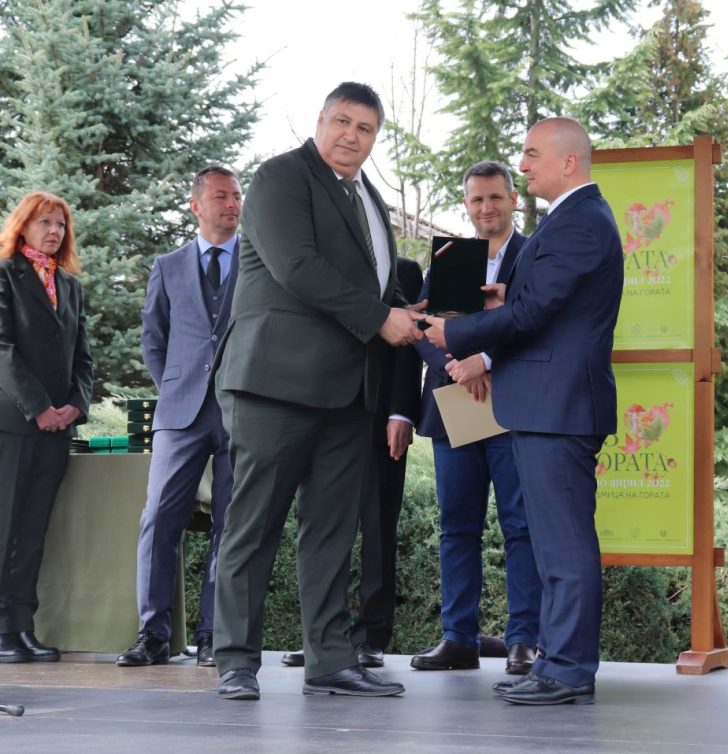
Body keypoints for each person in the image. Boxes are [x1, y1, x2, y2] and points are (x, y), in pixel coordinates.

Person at [211, 81, 422, 701]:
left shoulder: (369, 197)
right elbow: (298, 268)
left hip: (350, 393)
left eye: (366, 129)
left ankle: (330, 660)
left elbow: (376, 286)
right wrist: (381, 319)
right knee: (254, 526)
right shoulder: (281, 177)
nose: (352, 136)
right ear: (321, 120)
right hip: (275, 385)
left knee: (331, 532)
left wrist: (421, 315)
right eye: (343, 121)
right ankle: (235, 661)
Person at [419, 117, 623, 705]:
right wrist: (506, 299)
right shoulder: (570, 218)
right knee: (553, 545)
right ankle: (556, 662)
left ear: (568, 162)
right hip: (545, 405)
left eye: (532, 154)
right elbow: (545, 304)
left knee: (563, 546)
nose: (524, 165)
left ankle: (569, 668)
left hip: (558, 406)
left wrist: (455, 332)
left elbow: (536, 315)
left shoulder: (579, 219)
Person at [410, 161, 542, 675]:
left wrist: (484, 361)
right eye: (476, 199)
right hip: (455, 408)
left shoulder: (534, 254)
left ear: (512, 199)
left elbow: (539, 321)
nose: (486, 208)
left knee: (520, 525)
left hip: (513, 405)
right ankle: (458, 638)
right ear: (466, 205)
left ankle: (524, 639)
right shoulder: (450, 257)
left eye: (495, 197)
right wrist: (457, 366)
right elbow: (423, 324)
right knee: (457, 527)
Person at [116, 167, 242, 669]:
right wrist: (174, 386)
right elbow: (153, 337)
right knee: (159, 518)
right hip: (179, 412)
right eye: (221, 196)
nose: (232, 204)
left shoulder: (258, 263)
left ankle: (214, 635)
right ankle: (152, 634)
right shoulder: (167, 266)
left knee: (231, 523)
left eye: (237, 196)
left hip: (240, 409)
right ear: (196, 205)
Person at [281, 255, 423, 670]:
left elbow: (410, 346)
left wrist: (402, 413)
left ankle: (371, 636)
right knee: (322, 528)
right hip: (322, 413)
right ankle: (323, 638)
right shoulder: (316, 268)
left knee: (378, 529)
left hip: (380, 419)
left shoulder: (403, 270)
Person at [0, 192, 93, 662]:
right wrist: (38, 407)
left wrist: (75, 406)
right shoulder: (5, 274)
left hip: (57, 430)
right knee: (5, 530)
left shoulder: (69, 286)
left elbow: (83, 358)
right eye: (45, 223)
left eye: (60, 224)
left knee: (33, 533)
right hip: (14, 426)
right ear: (23, 226)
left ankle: (22, 627)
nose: (54, 231)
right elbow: (2, 350)